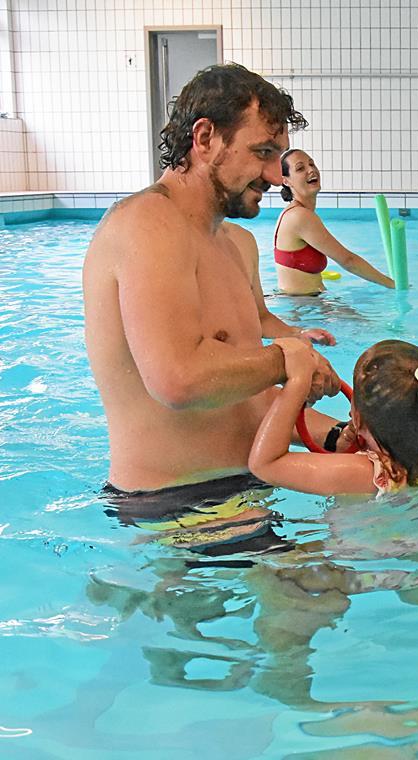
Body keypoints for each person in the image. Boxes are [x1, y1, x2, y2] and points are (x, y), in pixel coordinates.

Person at [83, 63, 345, 494]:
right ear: (205, 138)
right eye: (262, 153)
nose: (276, 177)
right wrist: (288, 359)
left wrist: (343, 436)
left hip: (243, 495)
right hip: (175, 510)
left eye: (278, 159)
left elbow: (247, 395)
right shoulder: (148, 224)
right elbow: (178, 379)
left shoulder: (235, 244)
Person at [250, 339, 418, 496]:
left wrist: (297, 381)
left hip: (359, 553)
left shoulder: (357, 473)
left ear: (356, 416)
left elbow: (264, 464)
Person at [274, 149, 396, 295]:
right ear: (286, 181)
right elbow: (348, 260)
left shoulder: (294, 212)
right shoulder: (299, 216)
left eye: (311, 164)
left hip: (306, 303)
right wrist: (393, 284)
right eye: (300, 168)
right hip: (302, 308)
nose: (311, 170)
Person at [222, 221, 336, 345]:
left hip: (250, 359)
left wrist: (298, 333)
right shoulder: (198, 247)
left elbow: (261, 317)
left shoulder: (242, 238)